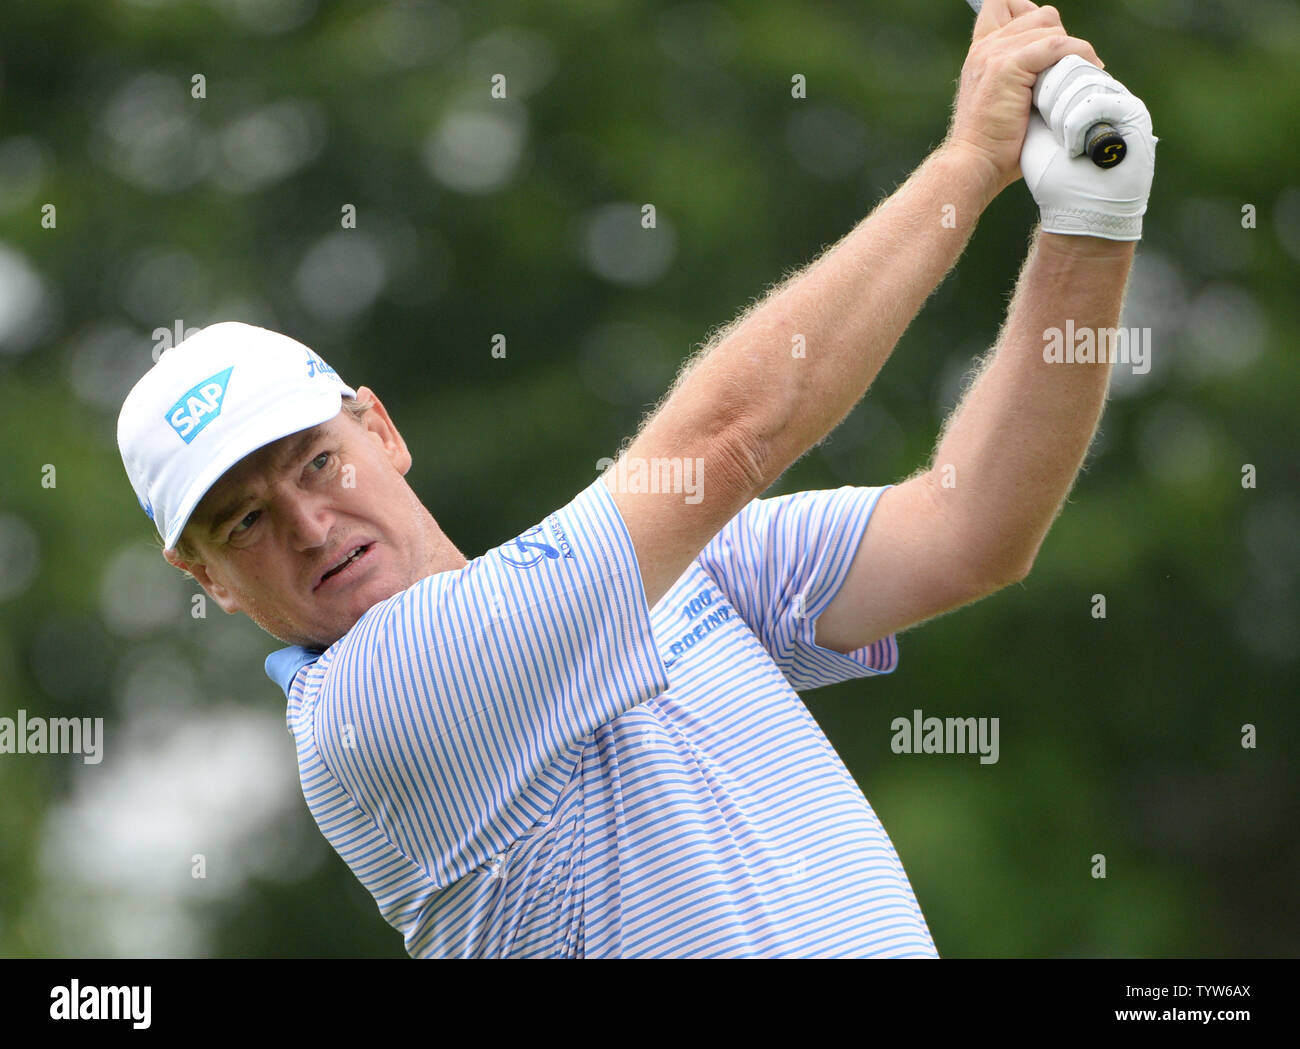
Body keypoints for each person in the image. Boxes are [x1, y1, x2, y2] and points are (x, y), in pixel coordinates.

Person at [116, 0, 1155, 957]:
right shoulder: (374, 707)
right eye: (244, 519)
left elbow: (971, 527)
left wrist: (1090, 227)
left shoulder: (648, 581)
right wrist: (968, 164)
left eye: (317, 460)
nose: (306, 521)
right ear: (204, 577)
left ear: (378, 427)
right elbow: (728, 438)